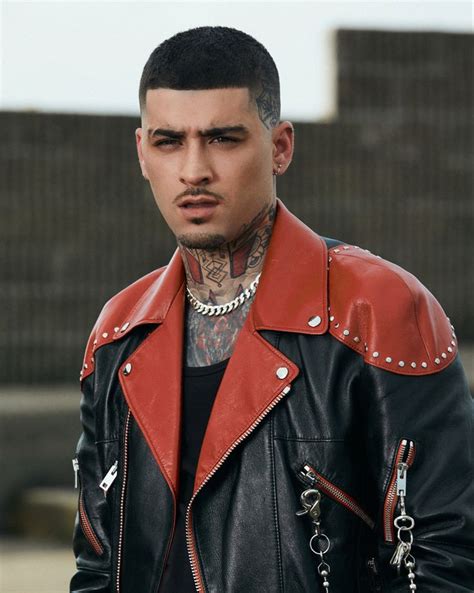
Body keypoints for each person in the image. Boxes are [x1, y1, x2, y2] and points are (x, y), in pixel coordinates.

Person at [70, 26, 473, 593]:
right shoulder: (119, 332)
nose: (193, 170)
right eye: (169, 141)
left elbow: (443, 558)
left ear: (280, 147)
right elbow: (96, 564)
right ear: (142, 152)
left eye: (223, 138)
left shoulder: (377, 312)